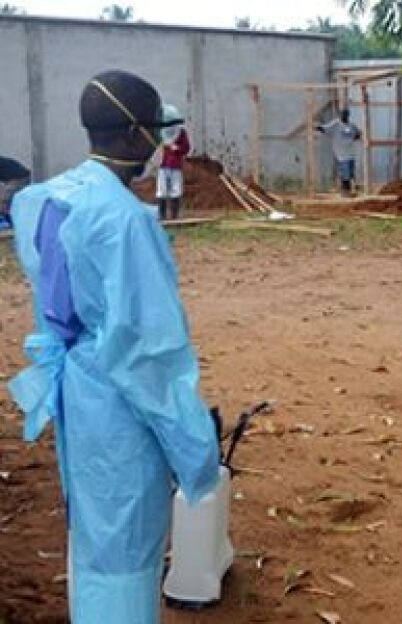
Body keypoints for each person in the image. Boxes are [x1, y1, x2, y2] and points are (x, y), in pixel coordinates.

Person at [6, 70, 219, 624]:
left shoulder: (46, 199)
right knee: (125, 543)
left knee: (92, 527)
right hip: (116, 401)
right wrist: (196, 448)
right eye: (154, 131)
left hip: (79, 390)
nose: (157, 143)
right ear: (131, 134)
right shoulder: (123, 221)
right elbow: (147, 354)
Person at [316, 109, 361, 196]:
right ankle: (345, 192)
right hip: (341, 154)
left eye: (345, 115)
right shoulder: (336, 124)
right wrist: (318, 127)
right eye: (342, 115)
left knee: (351, 172)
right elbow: (325, 128)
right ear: (340, 115)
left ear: (348, 115)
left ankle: (351, 190)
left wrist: (356, 137)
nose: (343, 116)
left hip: (351, 153)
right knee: (345, 173)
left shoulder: (352, 125)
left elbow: (357, 134)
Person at [156, 104, 189, 220]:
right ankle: (162, 216)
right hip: (162, 165)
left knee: (176, 189)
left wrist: (177, 149)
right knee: (162, 190)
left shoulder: (181, 133)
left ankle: (174, 216)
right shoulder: (159, 132)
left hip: (175, 166)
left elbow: (186, 148)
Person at [0, 156, 31, 228]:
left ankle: (8, 223)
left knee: (3, 201)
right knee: (8, 201)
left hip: (18, 179)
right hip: (22, 177)